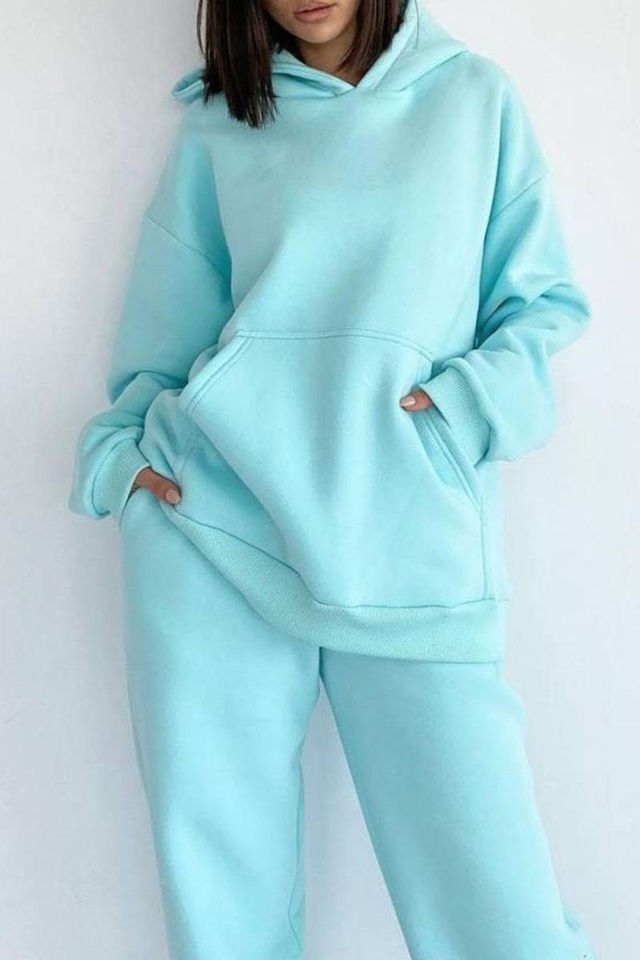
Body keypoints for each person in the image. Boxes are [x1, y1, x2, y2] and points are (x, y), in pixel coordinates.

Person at [69, 1, 597, 957]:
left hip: (405, 532)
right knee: (225, 918)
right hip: (216, 537)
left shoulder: (474, 100)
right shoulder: (223, 125)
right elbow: (160, 342)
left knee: (500, 918)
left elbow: (540, 307)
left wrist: (462, 410)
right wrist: (123, 461)